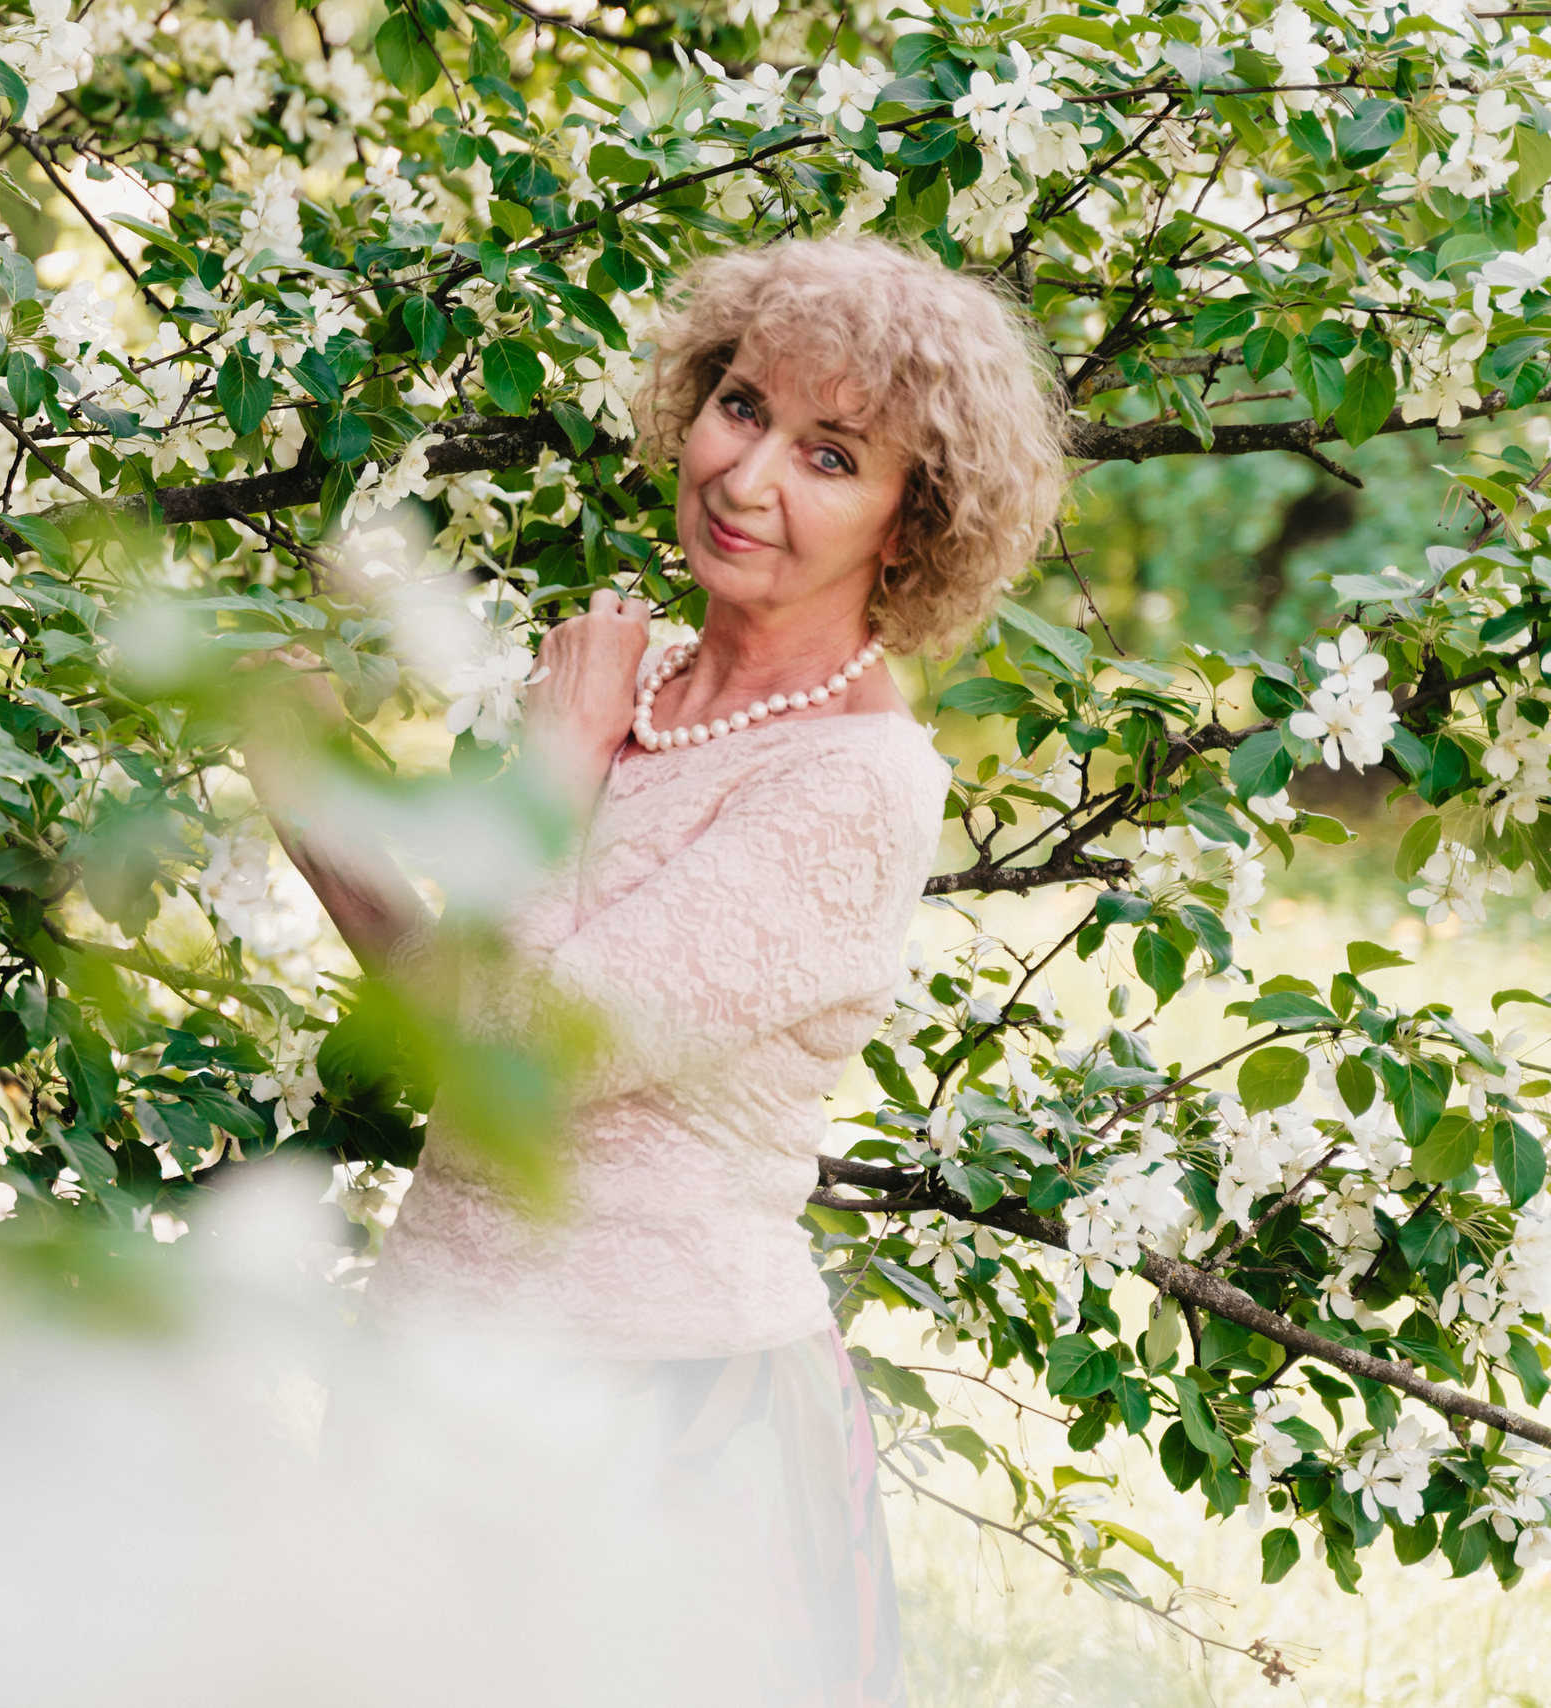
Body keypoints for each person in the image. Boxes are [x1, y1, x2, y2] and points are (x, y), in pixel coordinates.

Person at [242, 236, 1070, 1705]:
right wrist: (312, 797)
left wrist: (555, 766)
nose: (748, 480)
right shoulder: (646, 691)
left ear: (911, 521)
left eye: (832, 456)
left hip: (654, 1430)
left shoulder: (855, 788)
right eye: (742, 408)